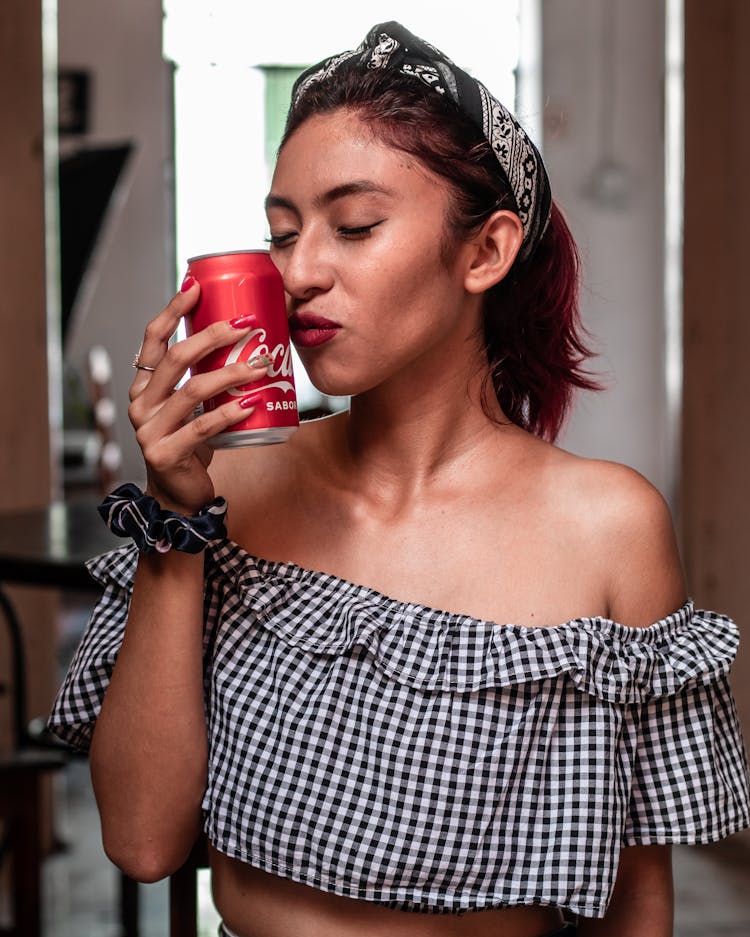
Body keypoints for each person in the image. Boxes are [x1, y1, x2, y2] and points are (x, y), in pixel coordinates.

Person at [49, 22, 750, 937]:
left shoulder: (608, 527)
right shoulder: (233, 494)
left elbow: (635, 907)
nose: (297, 271)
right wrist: (177, 522)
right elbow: (142, 843)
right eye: (283, 233)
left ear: (484, 253)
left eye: (356, 225)